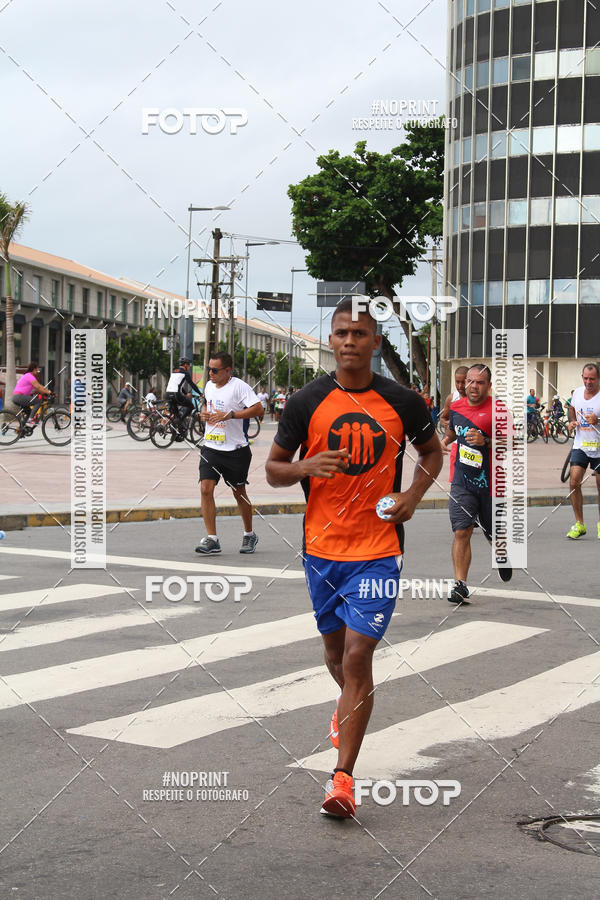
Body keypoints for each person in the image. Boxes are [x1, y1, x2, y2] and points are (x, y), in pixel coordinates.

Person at [265, 298, 442, 818]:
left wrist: (411, 499)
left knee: (358, 658)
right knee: (334, 657)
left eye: (359, 334)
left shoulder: (402, 401)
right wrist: (306, 467)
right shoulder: (306, 401)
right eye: (341, 333)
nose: (349, 342)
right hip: (322, 550)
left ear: (375, 343)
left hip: (379, 551)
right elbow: (274, 469)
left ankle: (342, 779)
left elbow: (433, 451)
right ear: (331, 339)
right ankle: (348, 706)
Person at [441, 364, 512, 605]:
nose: (473, 386)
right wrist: (444, 441)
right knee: (462, 530)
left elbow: (513, 442)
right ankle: (460, 584)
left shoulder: (498, 409)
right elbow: (453, 431)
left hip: (492, 483)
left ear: (488, 386)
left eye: (479, 382)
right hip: (462, 481)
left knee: (492, 531)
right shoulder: (456, 407)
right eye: (470, 381)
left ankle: (501, 553)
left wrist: (487, 440)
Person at [196, 352, 264, 555]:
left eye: (215, 370)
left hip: (236, 450)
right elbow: (208, 405)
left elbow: (259, 409)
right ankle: (212, 538)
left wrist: (232, 415)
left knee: (238, 493)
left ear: (227, 371)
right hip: (211, 447)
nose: (210, 373)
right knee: (206, 489)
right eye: (209, 369)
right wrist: (204, 414)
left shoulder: (239, 386)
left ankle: (249, 534)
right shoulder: (208, 386)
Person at [565, 363, 600, 540]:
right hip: (581, 445)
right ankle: (580, 524)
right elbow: (572, 409)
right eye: (585, 378)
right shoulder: (578, 393)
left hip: (599, 448)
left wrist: (598, 419)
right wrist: (572, 422)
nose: (588, 382)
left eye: (592, 379)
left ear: (598, 378)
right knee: (574, 482)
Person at [439, 366, 469, 484]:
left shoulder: (477, 398)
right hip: (456, 445)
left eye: (463, 382)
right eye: (457, 382)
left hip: (473, 446)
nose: (460, 386)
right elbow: (443, 418)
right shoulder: (452, 398)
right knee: (456, 481)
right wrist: (445, 423)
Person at [165, 358, 202, 428]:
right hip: (176, 395)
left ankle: (175, 431)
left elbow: (177, 385)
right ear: (185, 365)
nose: (189, 367)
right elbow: (192, 384)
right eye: (188, 365)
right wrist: (200, 394)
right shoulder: (185, 373)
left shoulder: (174, 371)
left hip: (167, 394)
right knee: (191, 406)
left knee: (176, 416)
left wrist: (185, 393)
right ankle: (180, 420)